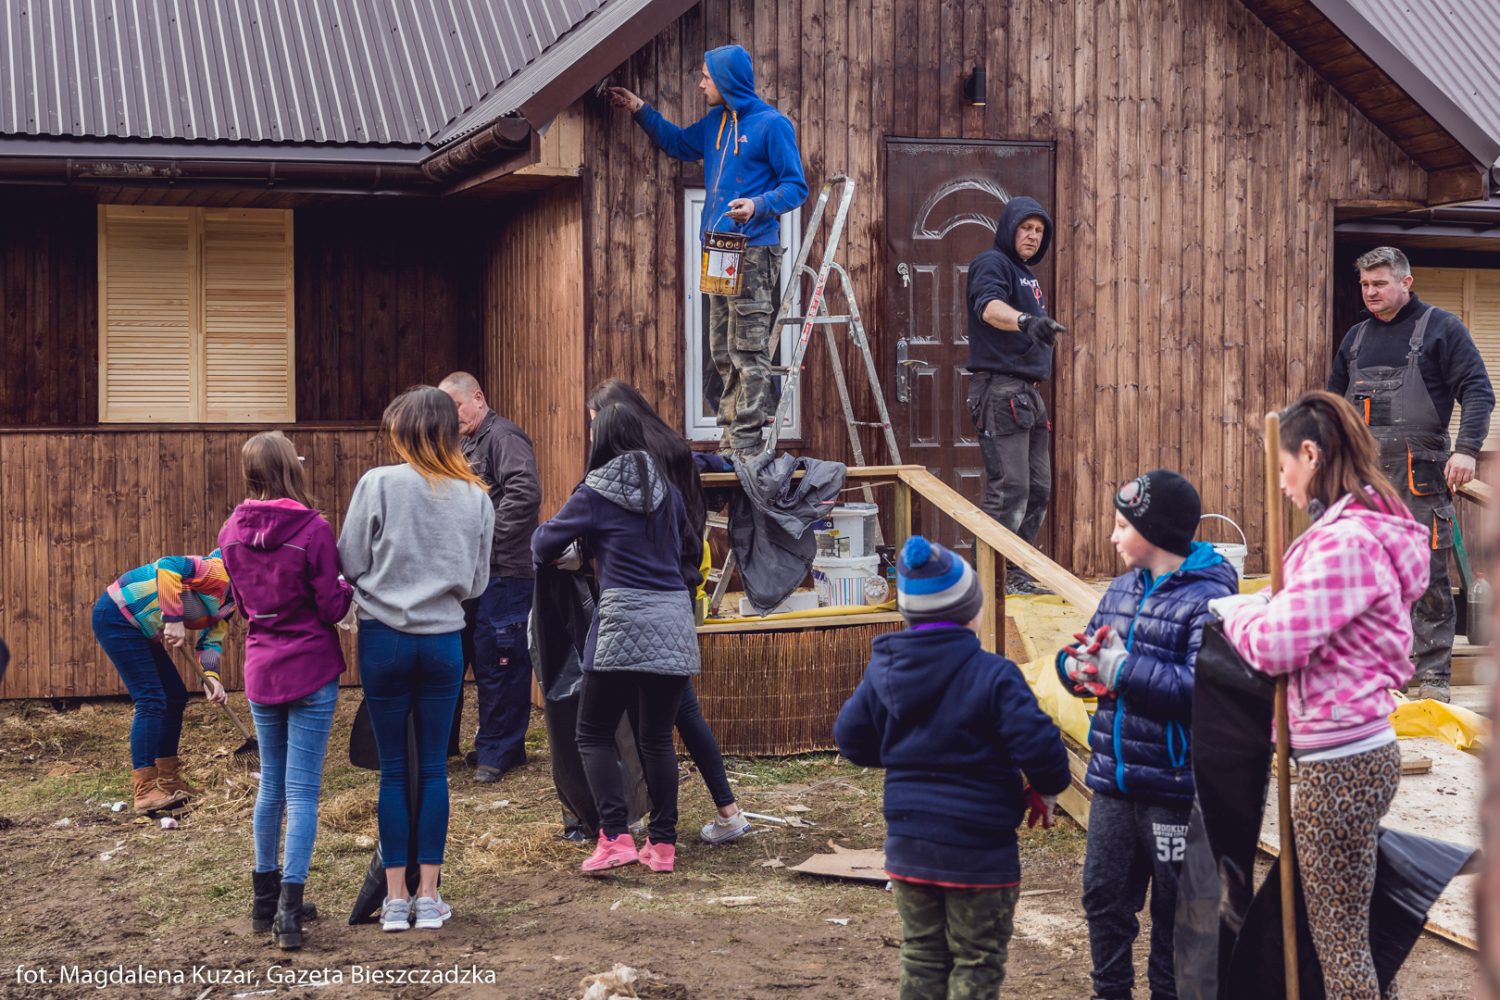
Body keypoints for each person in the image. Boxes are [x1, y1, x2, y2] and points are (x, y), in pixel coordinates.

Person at [1215, 390, 1429, 1000]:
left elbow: (1279, 645)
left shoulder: (1345, 544)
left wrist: (1236, 612)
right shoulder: (1355, 532)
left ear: (1310, 454)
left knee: (1337, 947)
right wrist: (1266, 603)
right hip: (1349, 750)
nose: (1282, 486)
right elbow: (1304, 617)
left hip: (1337, 763)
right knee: (1349, 936)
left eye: (1284, 470)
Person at [834, 535, 1072, 1000]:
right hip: (980, 852)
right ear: (972, 611)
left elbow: (851, 740)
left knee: (922, 954)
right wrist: (1047, 790)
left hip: (910, 849)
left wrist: (909, 753)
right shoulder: (995, 674)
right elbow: (1040, 744)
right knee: (977, 958)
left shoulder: (884, 670)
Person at [1056, 469, 1237, 1000]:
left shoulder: (1208, 601)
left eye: (1120, 525)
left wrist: (1121, 670)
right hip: (1113, 777)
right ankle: (1108, 991)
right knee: (1103, 895)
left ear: (1153, 531)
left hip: (1175, 787)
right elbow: (1090, 649)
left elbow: (1201, 690)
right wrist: (1080, 669)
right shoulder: (1120, 588)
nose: (1112, 536)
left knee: (1176, 909)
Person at [338, 386, 494, 933]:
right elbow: (477, 582)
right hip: (444, 641)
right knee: (433, 768)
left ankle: (396, 899)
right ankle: (430, 897)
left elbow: (350, 562)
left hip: (383, 639)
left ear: (404, 433)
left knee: (393, 772)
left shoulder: (377, 484)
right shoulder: (477, 495)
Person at [608, 46, 809, 458]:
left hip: (754, 251)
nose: (701, 84)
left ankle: (747, 445)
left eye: (706, 77)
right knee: (721, 349)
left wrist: (758, 204)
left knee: (748, 350)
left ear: (727, 80)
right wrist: (639, 108)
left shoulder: (773, 125)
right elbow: (678, 143)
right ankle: (730, 437)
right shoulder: (716, 121)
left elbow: (796, 187)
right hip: (717, 252)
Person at [532, 403, 700, 874]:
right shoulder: (667, 489)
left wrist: (586, 547)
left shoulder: (595, 491)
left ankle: (616, 838)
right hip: (673, 620)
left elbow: (543, 544)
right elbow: (687, 547)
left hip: (624, 622)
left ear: (601, 438)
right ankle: (662, 846)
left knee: (593, 734)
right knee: (657, 739)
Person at [585, 378, 749, 844]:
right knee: (680, 710)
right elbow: (708, 463)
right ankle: (723, 811)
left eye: (595, 421)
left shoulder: (634, 464)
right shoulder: (675, 449)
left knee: (649, 724)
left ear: (617, 420)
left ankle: (646, 824)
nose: (592, 431)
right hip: (683, 583)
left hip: (642, 593)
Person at [1328, 246, 1494, 703]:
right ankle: (1382, 670)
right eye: (1365, 284)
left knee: (1425, 577)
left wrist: (1466, 451)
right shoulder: (1356, 337)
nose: (1370, 292)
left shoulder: (1441, 328)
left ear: (1406, 282)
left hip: (1419, 476)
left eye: (1379, 283)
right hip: (1363, 481)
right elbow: (1333, 405)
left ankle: (1433, 676)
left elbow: (1478, 392)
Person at [219, 431, 354, 950]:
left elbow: (242, 606)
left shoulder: (231, 530)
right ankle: (291, 913)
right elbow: (331, 606)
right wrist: (347, 592)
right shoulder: (313, 528)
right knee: (302, 794)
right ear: (289, 468)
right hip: (311, 668)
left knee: (269, 788)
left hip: (262, 668)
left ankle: (263, 900)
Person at [438, 372, 543, 784]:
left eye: (456, 408)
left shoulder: (505, 437)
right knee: (477, 656)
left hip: (505, 570)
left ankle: (498, 752)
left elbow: (525, 493)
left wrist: (484, 540)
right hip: (474, 574)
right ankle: (499, 746)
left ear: (478, 397)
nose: (452, 418)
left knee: (500, 660)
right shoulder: (465, 443)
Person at [964, 196, 1068, 595]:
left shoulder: (1026, 275)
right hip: (1000, 389)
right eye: (1026, 228)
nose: (1033, 236)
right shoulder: (992, 263)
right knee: (1009, 487)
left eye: (1039, 231)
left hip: (1026, 392)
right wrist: (1026, 321)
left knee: (1037, 489)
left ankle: (1017, 575)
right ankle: (987, 583)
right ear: (1009, 227)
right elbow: (989, 308)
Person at [92, 553, 233, 814]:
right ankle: (144, 791)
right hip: (117, 615)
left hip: (141, 627)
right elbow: (169, 565)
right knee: (151, 698)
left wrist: (211, 678)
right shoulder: (217, 571)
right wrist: (173, 618)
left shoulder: (231, 601)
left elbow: (211, 639)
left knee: (175, 696)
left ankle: (168, 781)